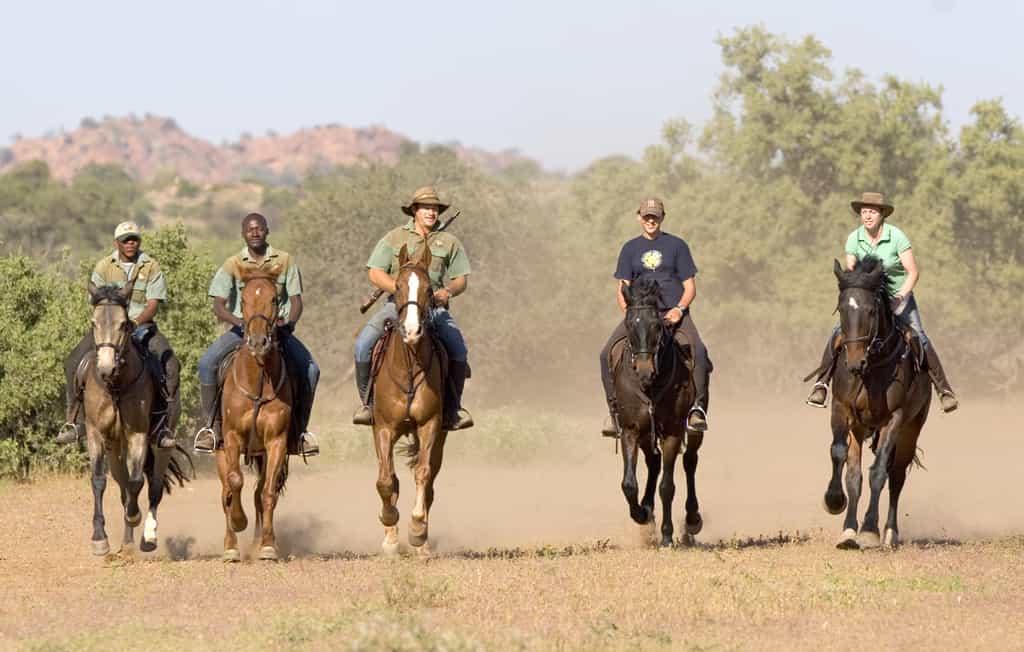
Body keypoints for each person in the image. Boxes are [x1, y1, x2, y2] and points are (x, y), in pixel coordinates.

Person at [806, 191, 958, 412]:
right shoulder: (853, 238)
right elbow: (852, 275)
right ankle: (821, 384)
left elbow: (913, 272)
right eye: (864, 212)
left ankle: (944, 390)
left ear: (881, 214)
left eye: (872, 211)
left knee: (919, 336)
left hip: (898, 295)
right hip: (867, 300)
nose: (867, 216)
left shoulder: (896, 237)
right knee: (839, 332)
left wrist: (901, 296)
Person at [192, 212, 321, 455]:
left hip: (277, 330)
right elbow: (218, 304)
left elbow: (296, 301)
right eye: (249, 229)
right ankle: (210, 429)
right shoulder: (233, 264)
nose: (254, 232)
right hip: (242, 330)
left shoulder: (284, 261)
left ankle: (300, 433)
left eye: (259, 228)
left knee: (311, 370)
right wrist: (238, 321)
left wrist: (290, 323)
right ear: (243, 233)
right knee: (207, 363)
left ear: (266, 231)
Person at [352, 186, 473, 430]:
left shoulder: (449, 242)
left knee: (458, 351)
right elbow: (375, 272)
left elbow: (461, 279)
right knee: (362, 345)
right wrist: (398, 290)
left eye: (435, 208)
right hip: (396, 306)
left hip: (433, 309)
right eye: (426, 207)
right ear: (415, 210)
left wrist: (447, 292)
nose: (431, 212)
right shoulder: (394, 238)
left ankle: (453, 409)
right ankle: (367, 404)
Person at [58, 221, 179, 448]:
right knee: (73, 362)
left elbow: (153, 303)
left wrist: (134, 322)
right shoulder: (104, 267)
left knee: (170, 364)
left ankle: (162, 426)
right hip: (107, 331)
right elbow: (95, 301)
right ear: (117, 243)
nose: (130, 243)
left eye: (134, 239)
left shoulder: (150, 265)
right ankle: (73, 422)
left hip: (141, 327)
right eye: (126, 240)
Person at [599, 198, 711, 437]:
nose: (651, 220)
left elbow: (690, 286)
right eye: (646, 216)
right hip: (640, 316)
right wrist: (630, 314)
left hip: (673, 314)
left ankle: (697, 409)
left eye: (655, 216)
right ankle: (614, 414)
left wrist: (679, 309)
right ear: (639, 217)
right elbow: (622, 287)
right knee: (605, 353)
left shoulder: (677, 246)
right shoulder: (629, 248)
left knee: (699, 351)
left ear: (662, 218)